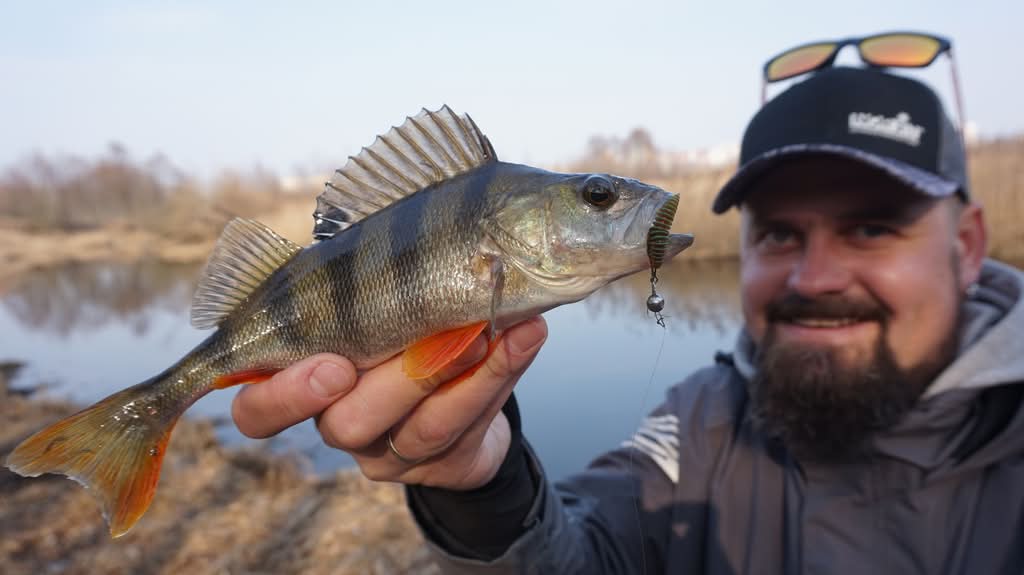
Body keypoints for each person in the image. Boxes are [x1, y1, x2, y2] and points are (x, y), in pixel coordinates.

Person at [232, 65, 1024, 573]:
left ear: (967, 246)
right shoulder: (701, 425)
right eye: (780, 231)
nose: (815, 275)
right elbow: (578, 556)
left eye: (873, 227)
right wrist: (481, 483)